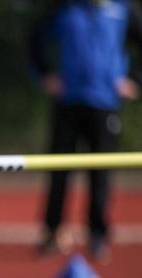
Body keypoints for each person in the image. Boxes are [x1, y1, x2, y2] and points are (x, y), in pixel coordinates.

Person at [30, 0, 142, 262]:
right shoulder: (64, 8)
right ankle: (53, 231)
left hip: (105, 104)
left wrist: (135, 80)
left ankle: (97, 234)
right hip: (68, 102)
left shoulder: (123, 10)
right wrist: (45, 74)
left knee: (101, 172)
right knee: (59, 169)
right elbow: (35, 39)